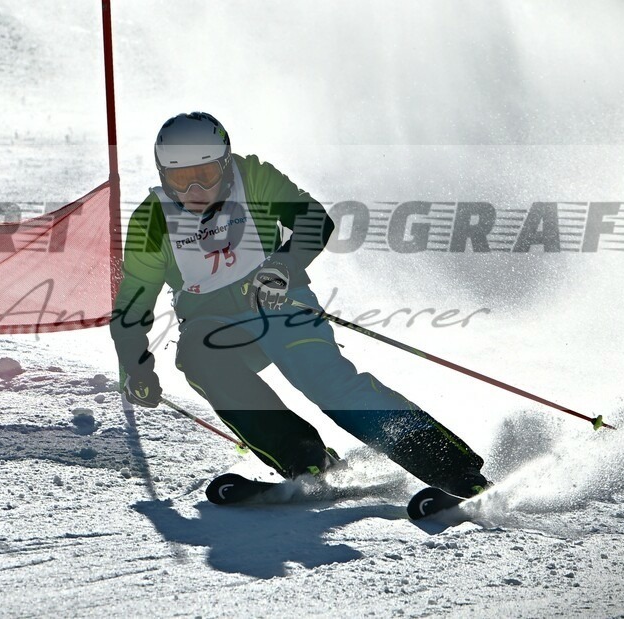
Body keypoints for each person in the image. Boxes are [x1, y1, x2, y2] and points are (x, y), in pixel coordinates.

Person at [110, 112, 489, 497]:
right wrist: (134, 368)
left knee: (327, 384)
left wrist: (282, 264)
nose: (194, 190)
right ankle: (304, 458)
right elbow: (133, 301)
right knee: (198, 357)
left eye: (205, 175)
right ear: (162, 175)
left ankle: (453, 469)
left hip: (276, 304)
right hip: (214, 325)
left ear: (224, 165)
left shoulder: (252, 177)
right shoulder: (152, 219)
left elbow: (313, 220)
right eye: (179, 179)